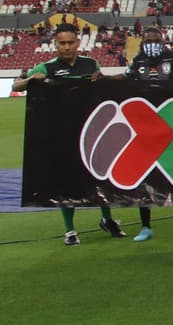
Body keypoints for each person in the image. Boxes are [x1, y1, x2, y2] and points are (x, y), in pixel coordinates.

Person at [13, 23, 127, 246]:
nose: (66, 47)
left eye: (70, 42)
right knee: (67, 181)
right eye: (62, 43)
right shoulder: (47, 67)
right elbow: (18, 84)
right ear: (55, 44)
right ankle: (70, 230)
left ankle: (107, 219)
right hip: (63, 133)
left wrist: (103, 79)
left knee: (99, 175)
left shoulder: (89, 64)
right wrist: (30, 81)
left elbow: (101, 83)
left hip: (91, 130)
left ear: (77, 43)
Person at [126, 26, 173, 241]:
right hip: (145, 128)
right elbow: (125, 84)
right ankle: (145, 227)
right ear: (142, 41)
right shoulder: (137, 63)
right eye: (148, 39)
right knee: (145, 177)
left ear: (163, 40)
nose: (152, 42)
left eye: (156, 38)